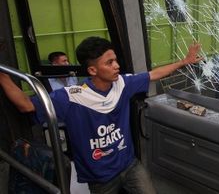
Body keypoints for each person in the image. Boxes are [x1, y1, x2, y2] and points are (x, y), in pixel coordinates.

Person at [0, 36, 202, 194]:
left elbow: (154, 74)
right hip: (100, 177)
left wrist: (185, 61)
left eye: (115, 60)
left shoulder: (123, 84)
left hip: (129, 166)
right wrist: (3, 75)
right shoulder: (71, 97)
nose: (117, 66)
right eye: (110, 62)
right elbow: (26, 105)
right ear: (92, 69)